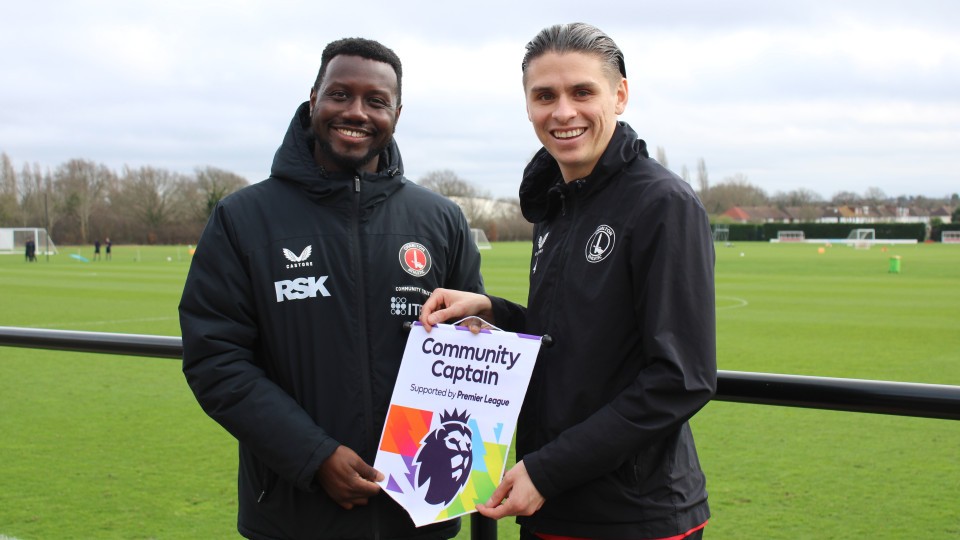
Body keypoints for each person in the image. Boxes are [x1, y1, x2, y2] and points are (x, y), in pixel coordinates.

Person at [179, 37, 484, 540]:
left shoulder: (440, 219)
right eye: (340, 94)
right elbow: (215, 359)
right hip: (294, 512)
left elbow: (470, 350)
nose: (356, 112)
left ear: (397, 113)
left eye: (376, 101)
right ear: (314, 97)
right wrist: (313, 455)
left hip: (415, 513)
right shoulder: (242, 218)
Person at [420, 23, 716, 540]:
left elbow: (681, 378)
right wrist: (495, 313)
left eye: (583, 92)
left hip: (633, 515)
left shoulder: (662, 204)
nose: (563, 112)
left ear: (620, 94)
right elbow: (569, 335)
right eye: (544, 96)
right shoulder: (555, 205)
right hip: (550, 505)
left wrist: (547, 470)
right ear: (528, 105)